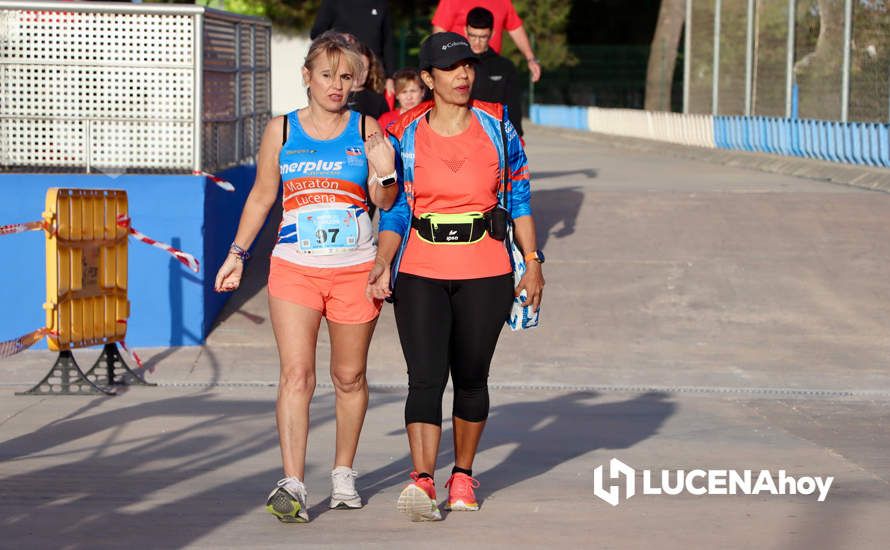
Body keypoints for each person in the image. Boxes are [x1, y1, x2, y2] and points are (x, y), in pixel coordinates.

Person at [214, 31, 397, 524]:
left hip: (354, 269)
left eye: (345, 77)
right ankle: (292, 482)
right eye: (326, 76)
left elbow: (385, 202)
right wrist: (238, 254)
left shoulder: (366, 129)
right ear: (307, 78)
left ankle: (343, 473)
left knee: (348, 375)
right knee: (297, 375)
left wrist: (384, 172)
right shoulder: (282, 131)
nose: (336, 85)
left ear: (356, 81)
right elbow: (261, 197)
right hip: (295, 267)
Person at [366, 32, 545, 521]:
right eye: (450, 68)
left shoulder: (498, 125)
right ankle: (423, 481)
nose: (463, 74)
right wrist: (383, 261)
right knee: (424, 378)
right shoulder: (405, 132)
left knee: (471, 376)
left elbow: (522, 199)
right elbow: (397, 210)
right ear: (428, 78)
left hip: (486, 269)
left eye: (467, 65)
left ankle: (462, 474)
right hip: (421, 269)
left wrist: (533, 262)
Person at [432, 0, 542, 82]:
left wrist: (530, 58)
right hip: (459, 69)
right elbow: (439, 33)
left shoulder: (503, 2)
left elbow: (515, 28)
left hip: (490, 69)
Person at [311, 0, 397, 95]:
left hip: (372, 76)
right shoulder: (333, 2)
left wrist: (390, 77)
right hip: (342, 73)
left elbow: (388, 41)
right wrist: (339, 37)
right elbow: (316, 34)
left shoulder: (381, 4)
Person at [466, 7, 523, 138]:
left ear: (492, 34)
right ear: (465, 31)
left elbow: (513, 107)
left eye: (483, 37)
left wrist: (516, 136)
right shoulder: (455, 65)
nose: (477, 42)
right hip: (460, 136)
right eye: (472, 36)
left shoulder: (504, 67)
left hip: (494, 136)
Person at [347, 38, 390, 119]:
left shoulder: (378, 101)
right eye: (356, 68)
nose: (360, 74)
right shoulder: (336, 96)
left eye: (364, 69)